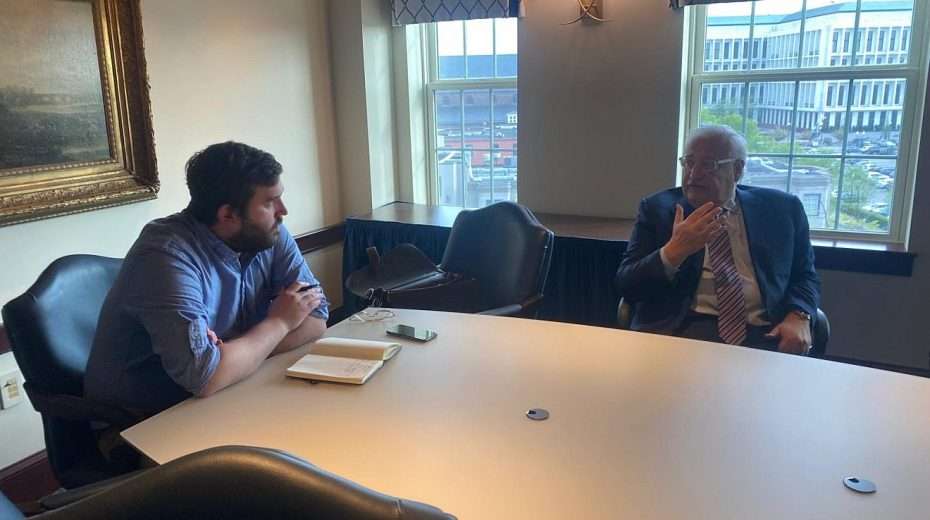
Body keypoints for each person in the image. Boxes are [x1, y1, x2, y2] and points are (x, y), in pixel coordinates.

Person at [86, 141, 329, 418]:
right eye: (269, 202)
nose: (282, 210)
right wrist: (281, 322)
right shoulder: (164, 255)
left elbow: (316, 319)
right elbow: (205, 376)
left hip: (224, 395)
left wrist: (236, 355)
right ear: (227, 214)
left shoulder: (269, 232)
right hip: (142, 417)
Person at [615, 126, 820, 354]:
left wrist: (799, 315)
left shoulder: (781, 210)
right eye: (689, 162)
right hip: (683, 330)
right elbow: (627, 286)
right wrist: (674, 252)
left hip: (765, 333)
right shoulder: (658, 210)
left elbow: (804, 276)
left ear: (737, 169)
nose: (694, 174)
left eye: (708, 165)